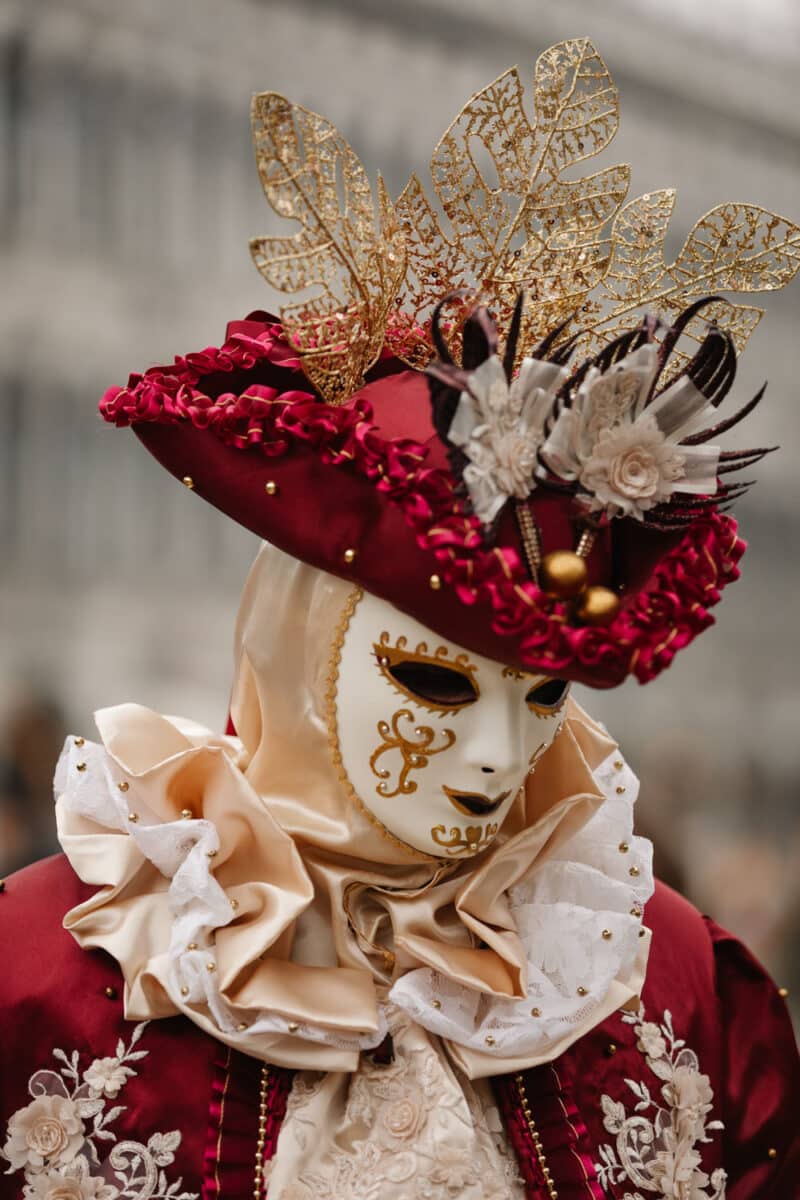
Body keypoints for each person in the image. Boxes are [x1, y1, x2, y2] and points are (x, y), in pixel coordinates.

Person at [1, 37, 798, 1200]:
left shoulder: (662, 978)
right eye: (431, 680)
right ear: (301, 644)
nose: (494, 755)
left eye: (540, 696)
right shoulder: (42, 969)